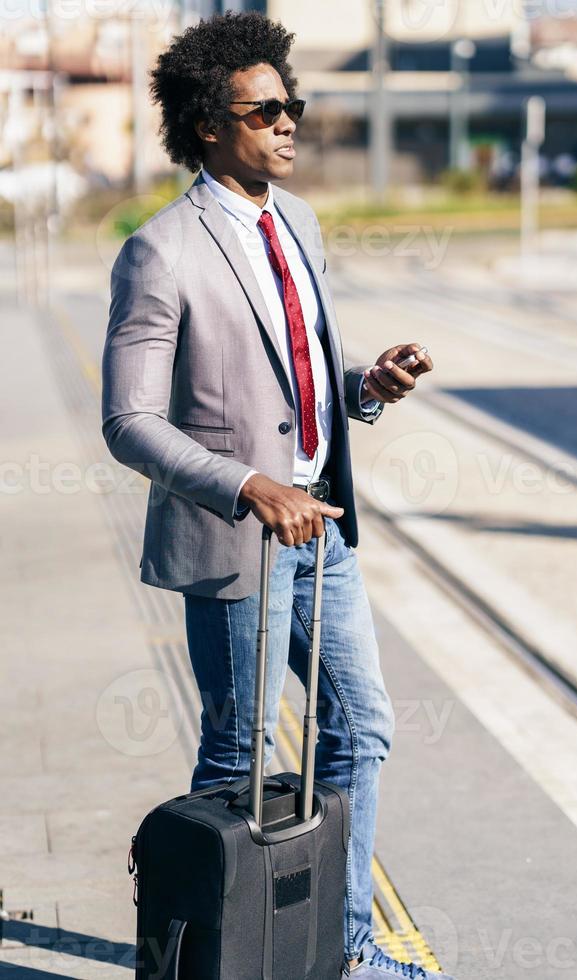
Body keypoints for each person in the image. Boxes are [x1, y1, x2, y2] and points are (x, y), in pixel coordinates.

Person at [101, 11, 446, 979]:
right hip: (235, 538)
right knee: (236, 758)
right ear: (212, 123)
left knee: (361, 724)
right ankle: (226, 953)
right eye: (269, 110)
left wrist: (363, 385)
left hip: (322, 530)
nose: (291, 123)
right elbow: (129, 421)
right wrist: (248, 485)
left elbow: (293, 375)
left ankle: (340, 949)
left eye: (294, 104)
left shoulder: (297, 220)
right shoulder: (160, 251)